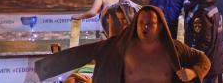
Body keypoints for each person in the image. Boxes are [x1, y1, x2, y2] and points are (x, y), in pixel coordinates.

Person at [35, 5, 211, 83]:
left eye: (150, 23)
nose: (145, 27)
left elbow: (203, 60)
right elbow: (82, 53)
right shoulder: (117, 46)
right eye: (141, 23)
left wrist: (193, 72)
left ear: (160, 27)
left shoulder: (175, 49)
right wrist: (45, 67)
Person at [182, 0, 223, 83]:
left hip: (207, 65)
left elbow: (203, 41)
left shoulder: (201, 11)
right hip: (215, 61)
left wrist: (194, 61)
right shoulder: (207, 4)